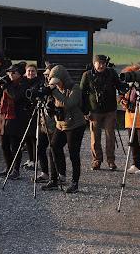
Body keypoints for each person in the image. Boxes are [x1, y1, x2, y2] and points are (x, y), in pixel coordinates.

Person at [41, 65, 86, 193]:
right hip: (60, 124)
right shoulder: (56, 90)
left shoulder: (75, 88)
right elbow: (56, 106)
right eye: (54, 83)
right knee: (53, 148)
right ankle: (54, 180)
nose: (57, 85)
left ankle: (74, 183)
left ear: (63, 79)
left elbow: (69, 104)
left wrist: (53, 92)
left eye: (58, 82)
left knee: (73, 154)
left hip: (75, 125)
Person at [80, 55, 121, 171]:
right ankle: (97, 160)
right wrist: (84, 111)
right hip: (94, 111)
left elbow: (119, 85)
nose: (101, 65)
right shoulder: (87, 75)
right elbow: (82, 93)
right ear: (94, 63)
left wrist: (125, 87)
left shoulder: (111, 73)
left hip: (110, 110)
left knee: (110, 137)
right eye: (99, 63)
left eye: (103, 63)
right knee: (95, 137)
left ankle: (111, 161)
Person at [0, 63, 29, 180]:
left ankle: (16, 170)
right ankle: (8, 168)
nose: (10, 74)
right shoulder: (7, 83)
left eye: (13, 72)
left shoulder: (23, 83)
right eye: (9, 72)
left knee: (15, 145)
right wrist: (0, 85)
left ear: (19, 74)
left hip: (16, 117)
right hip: (3, 116)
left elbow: (16, 96)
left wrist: (6, 86)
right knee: (4, 144)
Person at [119, 64, 140, 175]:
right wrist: (122, 101)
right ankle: (135, 164)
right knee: (132, 142)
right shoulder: (127, 86)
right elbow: (121, 96)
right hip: (130, 117)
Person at [34, 64, 57, 183]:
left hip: (54, 124)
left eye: (48, 75)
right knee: (40, 147)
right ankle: (44, 173)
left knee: (53, 150)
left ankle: (57, 175)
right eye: (45, 75)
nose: (46, 77)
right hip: (43, 122)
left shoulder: (57, 87)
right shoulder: (44, 86)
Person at [22, 63, 42, 170]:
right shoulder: (23, 82)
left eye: (33, 71)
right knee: (27, 138)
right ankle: (30, 160)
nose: (30, 73)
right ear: (26, 72)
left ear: (36, 72)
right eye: (29, 71)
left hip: (35, 112)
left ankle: (35, 160)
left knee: (34, 138)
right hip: (24, 113)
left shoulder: (39, 82)